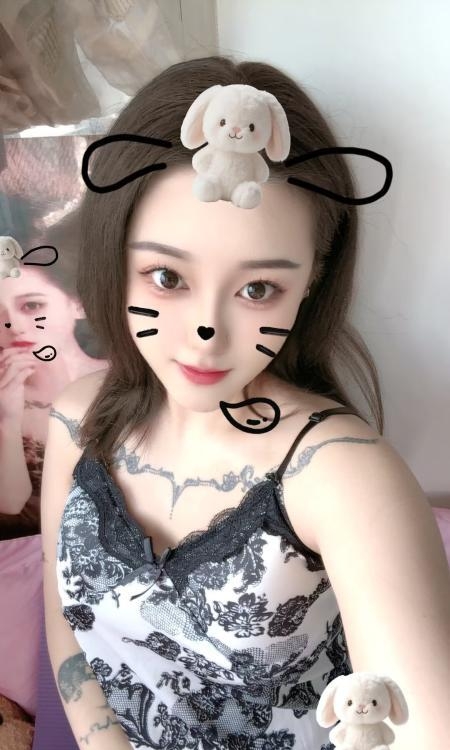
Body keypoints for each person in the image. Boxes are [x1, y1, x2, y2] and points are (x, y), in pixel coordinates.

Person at [41, 56, 450, 750]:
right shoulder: (75, 422)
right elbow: (68, 630)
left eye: (258, 289)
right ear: (116, 256)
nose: (208, 333)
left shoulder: (343, 477)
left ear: (311, 281)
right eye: (166, 276)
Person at [0, 206, 108, 539]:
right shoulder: (4, 400)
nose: (15, 326)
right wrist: (8, 420)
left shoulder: (123, 379)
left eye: (32, 306)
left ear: (77, 304)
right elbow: (10, 503)